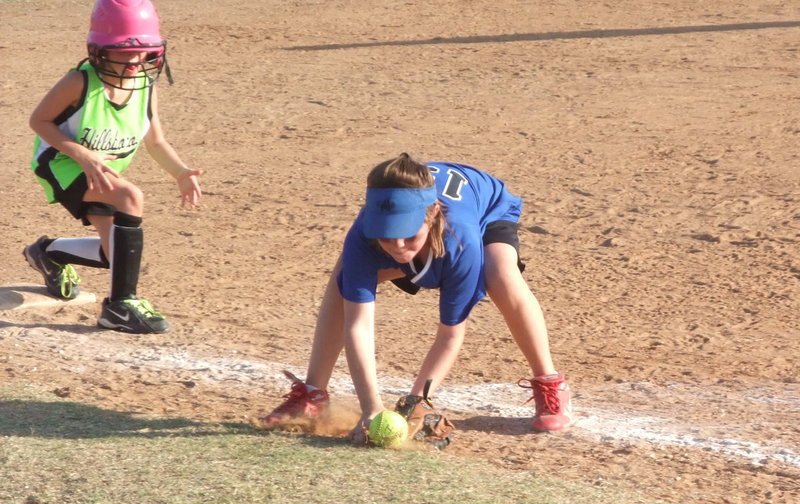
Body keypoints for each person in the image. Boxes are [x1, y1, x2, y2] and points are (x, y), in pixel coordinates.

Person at [259, 153, 573, 444]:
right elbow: (359, 326)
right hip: (427, 232)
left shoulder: (461, 243)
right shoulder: (364, 235)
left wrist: (417, 401)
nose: (396, 245)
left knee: (499, 272)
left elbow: (450, 335)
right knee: (344, 276)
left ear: (433, 214)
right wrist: (372, 409)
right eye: (386, 234)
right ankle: (313, 394)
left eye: (408, 234)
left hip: (485, 210)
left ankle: (549, 382)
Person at [24, 0, 202, 334]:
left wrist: (180, 172)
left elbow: (156, 141)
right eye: (122, 52)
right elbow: (39, 120)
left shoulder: (144, 86)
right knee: (131, 197)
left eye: (142, 53)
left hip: (101, 170)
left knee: (114, 255)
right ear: (98, 51)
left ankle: (46, 253)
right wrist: (82, 154)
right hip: (61, 163)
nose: (134, 61)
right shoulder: (79, 82)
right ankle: (120, 305)